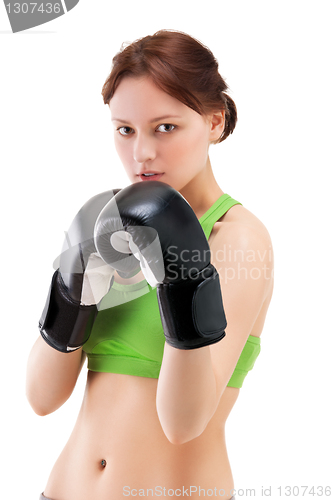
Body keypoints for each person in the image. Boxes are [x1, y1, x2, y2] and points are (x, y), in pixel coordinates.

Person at [26, 30, 274, 500]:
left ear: (215, 122)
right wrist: (70, 289)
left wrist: (182, 275)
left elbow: (184, 423)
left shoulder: (238, 239)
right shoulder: (108, 229)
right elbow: (41, 398)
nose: (141, 153)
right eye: (125, 129)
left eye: (165, 127)